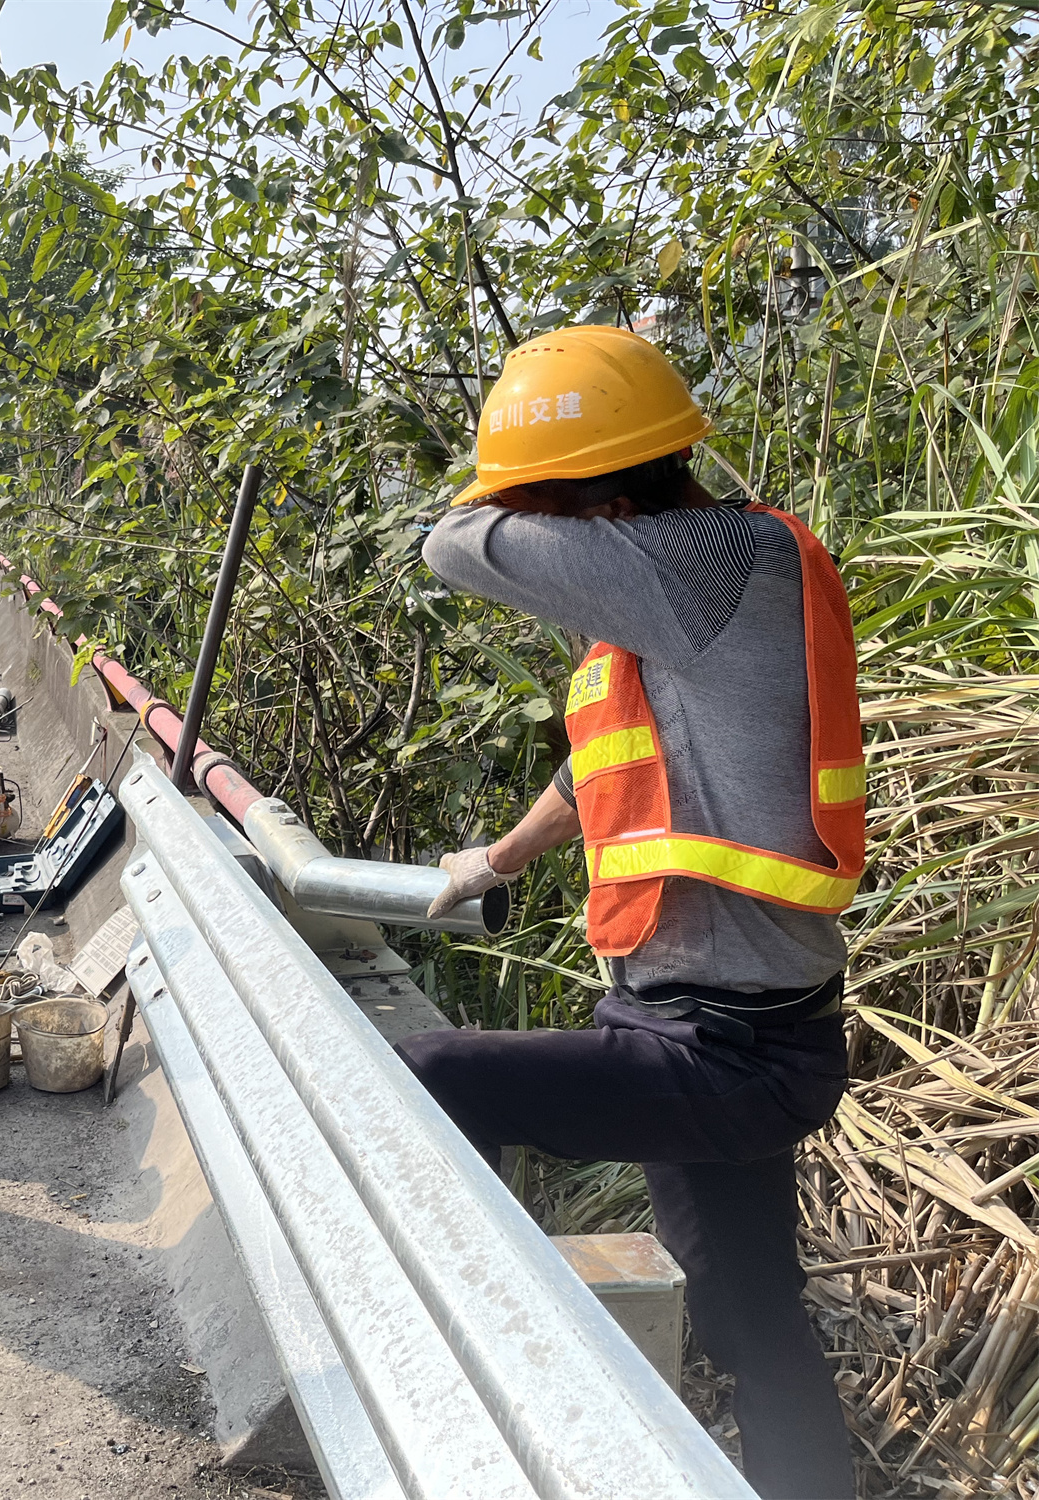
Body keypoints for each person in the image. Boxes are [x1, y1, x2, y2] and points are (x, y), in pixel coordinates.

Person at [403, 326, 862, 1500]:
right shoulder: (687, 595)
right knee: (747, 1312)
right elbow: (599, 770)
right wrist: (494, 862)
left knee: (430, 1077)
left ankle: (465, 1410)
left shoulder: (701, 567)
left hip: (731, 1045)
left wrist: (499, 489)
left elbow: (449, 542)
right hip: (694, 1023)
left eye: (551, 513)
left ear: (603, 504)